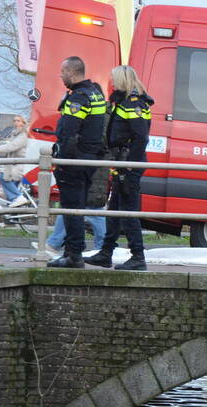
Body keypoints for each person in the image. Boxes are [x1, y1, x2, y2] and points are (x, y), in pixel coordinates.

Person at [85, 65, 154, 271]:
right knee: (114, 210)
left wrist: (129, 166)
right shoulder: (123, 102)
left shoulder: (134, 103)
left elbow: (141, 137)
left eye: (114, 79)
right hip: (121, 163)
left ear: (123, 80)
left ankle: (138, 257)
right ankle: (106, 253)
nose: (111, 83)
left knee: (128, 212)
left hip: (128, 164)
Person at [48, 56, 106, 269]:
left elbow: (68, 132)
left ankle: (73, 256)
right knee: (78, 208)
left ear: (71, 72)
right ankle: (73, 252)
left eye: (62, 72)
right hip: (90, 161)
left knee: (71, 209)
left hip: (74, 161)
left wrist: (62, 160)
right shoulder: (96, 95)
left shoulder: (77, 99)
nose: (61, 76)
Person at [46, 157, 109, 253]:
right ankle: (55, 243)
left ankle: (55, 243)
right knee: (74, 208)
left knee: (90, 210)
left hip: (87, 171)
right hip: (90, 171)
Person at [0, 115, 32, 205]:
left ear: (23, 123)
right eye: (14, 120)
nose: (16, 122)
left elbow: (11, 147)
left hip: (19, 164)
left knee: (2, 177)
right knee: (11, 199)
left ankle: (18, 197)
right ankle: (14, 217)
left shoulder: (23, 135)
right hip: (13, 164)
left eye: (18, 121)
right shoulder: (15, 134)